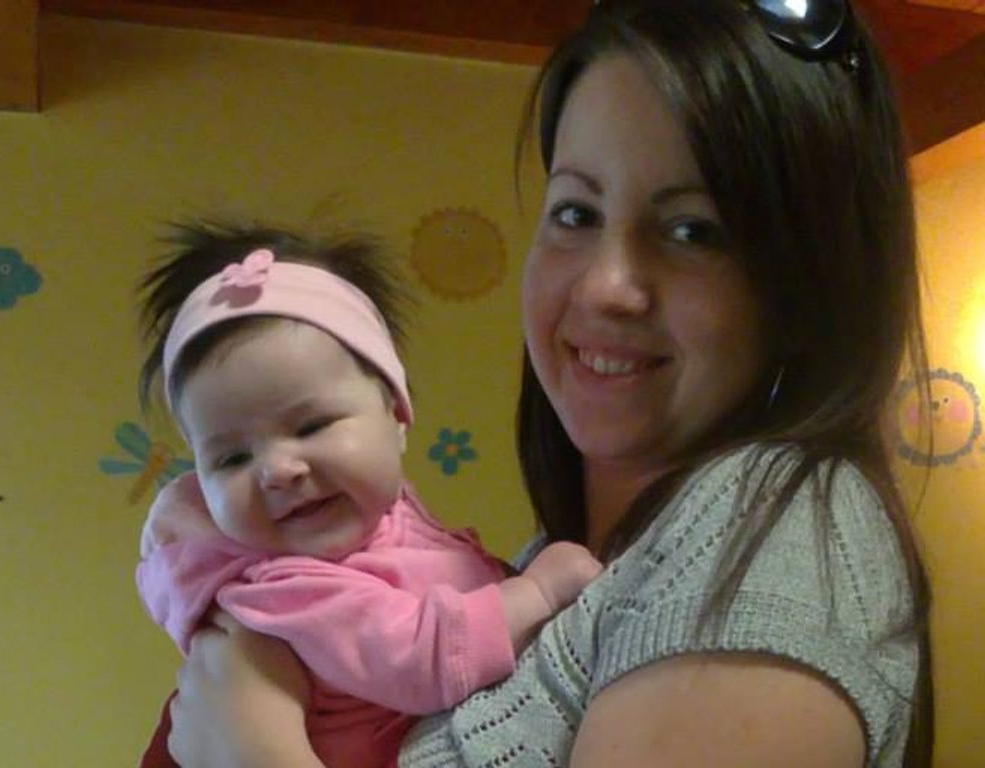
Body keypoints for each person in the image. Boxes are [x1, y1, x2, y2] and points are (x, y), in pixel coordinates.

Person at [158, 0, 935, 766]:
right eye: (576, 213)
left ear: (807, 285)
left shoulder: (777, 540)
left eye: (692, 230)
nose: (605, 287)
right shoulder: (559, 564)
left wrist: (251, 754)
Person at [134, 222, 604, 768]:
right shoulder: (283, 589)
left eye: (311, 425)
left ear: (396, 414)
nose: (277, 470)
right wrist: (538, 592)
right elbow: (421, 658)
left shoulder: (383, 517)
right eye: (232, 458)